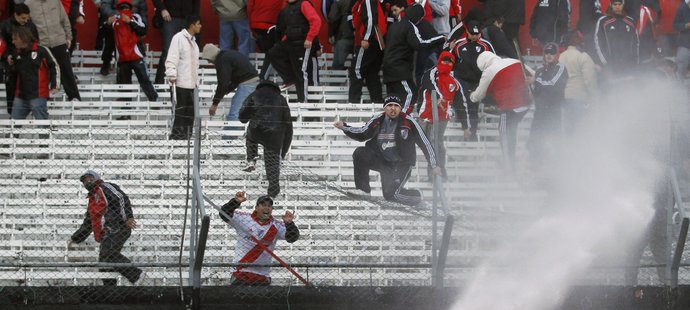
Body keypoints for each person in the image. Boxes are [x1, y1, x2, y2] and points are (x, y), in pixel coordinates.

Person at [334, 95, 441, 206]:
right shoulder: (378, 119)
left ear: (400, 108)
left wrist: (434, 164)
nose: (393, 108)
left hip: (401, 164)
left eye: (396, 106)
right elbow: (362, 133)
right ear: (385, 108)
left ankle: (417, 197)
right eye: (389, 105)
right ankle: (363, 190)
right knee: (360, 153)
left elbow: (425, 143)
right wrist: (344, 127)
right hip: (383, 162)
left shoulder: (409, 122)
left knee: (390, 195)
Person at [68, 170, 144, 286]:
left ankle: (137, 275)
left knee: (110, 254)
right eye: (84, 181)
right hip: (107, 233)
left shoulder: (104, 187)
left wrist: (128, 217)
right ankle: (110, 289)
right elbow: (88, 223)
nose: (86, 182)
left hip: (119, 227)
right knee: (103, 263)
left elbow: (121, 198)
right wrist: (76, 238)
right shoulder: (92, 200)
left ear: (96, 178)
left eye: (89, 178)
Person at [219, 191, 299, 286]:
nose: (266, 208)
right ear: (256, 207)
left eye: (269, 206)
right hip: (240, 272)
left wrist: (289, 224)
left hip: (262, 275)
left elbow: (292, 238)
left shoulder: (276, 225)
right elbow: (224, 214)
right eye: (263, 205)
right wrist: (235, 201)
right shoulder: (244, 218)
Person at [470, 51, 531, 172]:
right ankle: (515, 158)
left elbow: (479, 94)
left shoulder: (489, 71)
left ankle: (509, 163)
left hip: (510, 106)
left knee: (504, 131)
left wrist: (471, 96)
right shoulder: (515, 61)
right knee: (511, 129)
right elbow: (533, 75)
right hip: (525, 104)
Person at [382, 3, 445, 115]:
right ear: (418, 18)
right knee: (411, 94)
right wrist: (440, 38)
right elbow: (419, 44)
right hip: (399, 69)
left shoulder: (394, 26)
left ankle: (392, 122)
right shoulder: (410, 26)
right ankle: (402, 119)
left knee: (393, 99)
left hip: (388, 68)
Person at [238, 80, 293, 198]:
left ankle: (252, 158)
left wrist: (247, 117)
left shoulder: (254, 94)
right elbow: (289, 125)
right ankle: (273, 192)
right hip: (275, 133)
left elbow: (243, 115)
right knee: (272, 164)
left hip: (257, 129)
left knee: (251, 137)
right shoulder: (281, 99)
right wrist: (282, 152)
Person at [415, 51, 463, 180]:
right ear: (439, 60)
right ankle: (428, 170)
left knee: (436, 142)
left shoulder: (454, 81)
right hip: (425, 114)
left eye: (449, 62)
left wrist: (465, 125)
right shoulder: (431, 73)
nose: (446, 64)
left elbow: (460, 102)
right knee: (425, 143)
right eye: (444, 61)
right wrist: (439, 97)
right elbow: (428, 83)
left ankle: (437, 171)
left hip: (441, 117)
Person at [264, 0, 321, 103]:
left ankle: (304, 103)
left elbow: (316, 21)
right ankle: (290, 79)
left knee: (301, 73)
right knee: (273, 53)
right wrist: (284, 40)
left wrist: (309, 38)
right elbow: (286, 28)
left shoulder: (304, 4)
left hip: (303, 44)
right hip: (289, 42)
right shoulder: (286, 9)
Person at [26, 0, 82, 101]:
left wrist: (68, 37)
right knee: (43, 71)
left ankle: (74, 97)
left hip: (59, 40)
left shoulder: (55, 1)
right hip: (41, 43)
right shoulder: (28, 4)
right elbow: (25, 25)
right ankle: (44, 96)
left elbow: (64, 19)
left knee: (66, 69)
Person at [449, 20, 495, 141]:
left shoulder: (486, 45)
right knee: (463, 104)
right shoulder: (458, 44)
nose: (475, 36)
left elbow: (494, 61)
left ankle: (472, 134)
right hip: (461, 79)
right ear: (467, 32)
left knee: (473, 106)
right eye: (472, 33)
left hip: (478, 81)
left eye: (477, 34)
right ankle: (466, 131)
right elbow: (448, 60)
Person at [527, 42, 568, 166]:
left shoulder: (561, 68)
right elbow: (536, 92)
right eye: (547, 53)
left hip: (553, 111)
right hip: (540, 111)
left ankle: (556, 166)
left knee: (554, 140)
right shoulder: (539, 69)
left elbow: (552, 85)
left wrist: (535, 80)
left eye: (552, 53)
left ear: (557, 54)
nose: (549, 55)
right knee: (534, 140)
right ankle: (536, 165)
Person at [9, 26, 58, 121]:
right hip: (20, 96)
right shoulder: (15, 53)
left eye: (15, 39)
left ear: (23, 38)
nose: (13, 42)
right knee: (12, 127)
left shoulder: (42, 50)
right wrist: (10, 63)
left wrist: (55, 84)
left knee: (42, 126)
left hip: (38, 95)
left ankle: (45, 136)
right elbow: (13, 72)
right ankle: (12, 136)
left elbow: (54, 66)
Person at [201, 44, 259, 122]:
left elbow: (223, 83)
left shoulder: (221, 60)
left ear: (211, 56)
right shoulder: (227, 55)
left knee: (234, 114)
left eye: (208, 59)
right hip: (252, 81)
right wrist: (228, 89)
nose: (209, 62)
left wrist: (214, 104)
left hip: (248, 83)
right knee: (237, 107)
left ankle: (229, 133)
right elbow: (237, 75)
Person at [113, 0, 158, 102]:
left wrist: (130, 21)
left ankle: (154, 101)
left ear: (130, 8)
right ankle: (125, 113)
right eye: (122, 8)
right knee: (125, 86)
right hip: (122, 58)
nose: (125, 10)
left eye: (127, 7)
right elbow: (105, 33)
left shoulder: (136, 17)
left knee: (144, 80)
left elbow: (143, 30)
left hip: (136, 55)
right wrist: (107, 22)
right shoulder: (115, 20)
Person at [165, 15, 201, 140]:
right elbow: (172, 58)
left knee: (190, 114)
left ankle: (186, 137)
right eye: (198, 24)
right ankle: (176, 137)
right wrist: (171, 74)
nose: (200, 26)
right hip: (180, 83)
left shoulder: (194, 42)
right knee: (180, 113)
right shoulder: (178, 38)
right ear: (192, 25)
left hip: (191, 84)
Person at [0, 3, 39, 115]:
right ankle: (12, 118)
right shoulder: (4, 26)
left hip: (27, 64)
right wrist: (6, 56)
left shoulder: (31, 25)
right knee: (11, 91)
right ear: (15, 15)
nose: (26, 20)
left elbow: (36, 43)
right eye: (23, 18)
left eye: (27, 18)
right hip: (11, 65)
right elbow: (1, 45)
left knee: (29, 91)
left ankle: (27, 116)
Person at [558, 30, 599, 134]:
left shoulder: (561, 57)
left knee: (569, 129)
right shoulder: (583, 56)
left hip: (565, 98)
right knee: (581, 129)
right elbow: (589, 80)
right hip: (580, 98)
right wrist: (595, 96)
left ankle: (569, 148)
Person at [348, 0, 387, 104]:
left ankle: (353, 103)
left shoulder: (368, 1)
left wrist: (366, 38)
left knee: (356, 71)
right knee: (372, 73)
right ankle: (377, 102)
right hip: (377, 40)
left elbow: (370, 19)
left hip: (369, 41)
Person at [153, 0, 200, 84]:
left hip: (187, 19)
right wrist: (162, 9)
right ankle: (159, 84)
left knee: (188, 52)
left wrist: (195, 18)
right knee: (167, 51)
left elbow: (196, 2)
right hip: (170, 18)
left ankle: (188, 84)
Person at [98, 0, 147, 76]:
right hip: (116, 17)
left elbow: (143, 12)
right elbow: (105, 5)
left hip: (133, 20)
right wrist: (119, 15)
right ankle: (106, 62)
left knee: (138, 32)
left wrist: (144, 27)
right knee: (110, 31)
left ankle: (139, 62)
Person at [594, 0, 639, 78]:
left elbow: (636, 42)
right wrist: (605, 62)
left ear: (623, 5)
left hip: (628, 65)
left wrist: (635, 61)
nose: (617, 7)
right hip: (611, 65)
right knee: (614, 89)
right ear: (611, 5)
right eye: (615, 4)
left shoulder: (630, 22)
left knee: (629, 88)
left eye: (619, 4)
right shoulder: (603, 21)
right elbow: (598, 43)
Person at [247, 0, 283, 79]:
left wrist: (250, 25)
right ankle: (263, 77)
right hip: (270, 24)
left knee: (268, 52)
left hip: (255, 23)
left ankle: (262, 76)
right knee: (271, 53)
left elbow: (249, 8)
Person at [327, 0, 353, 70]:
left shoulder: (339, 2)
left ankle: (336, 77)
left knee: (337, 66)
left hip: (344, 36)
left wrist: (331, 34)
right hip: (363, 37)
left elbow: (332, 18)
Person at [673, 0, 690, 81]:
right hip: (685, 45)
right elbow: (675, 25)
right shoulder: (682, 7)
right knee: (681, 70)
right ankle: (679, 91)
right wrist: (685, 26)